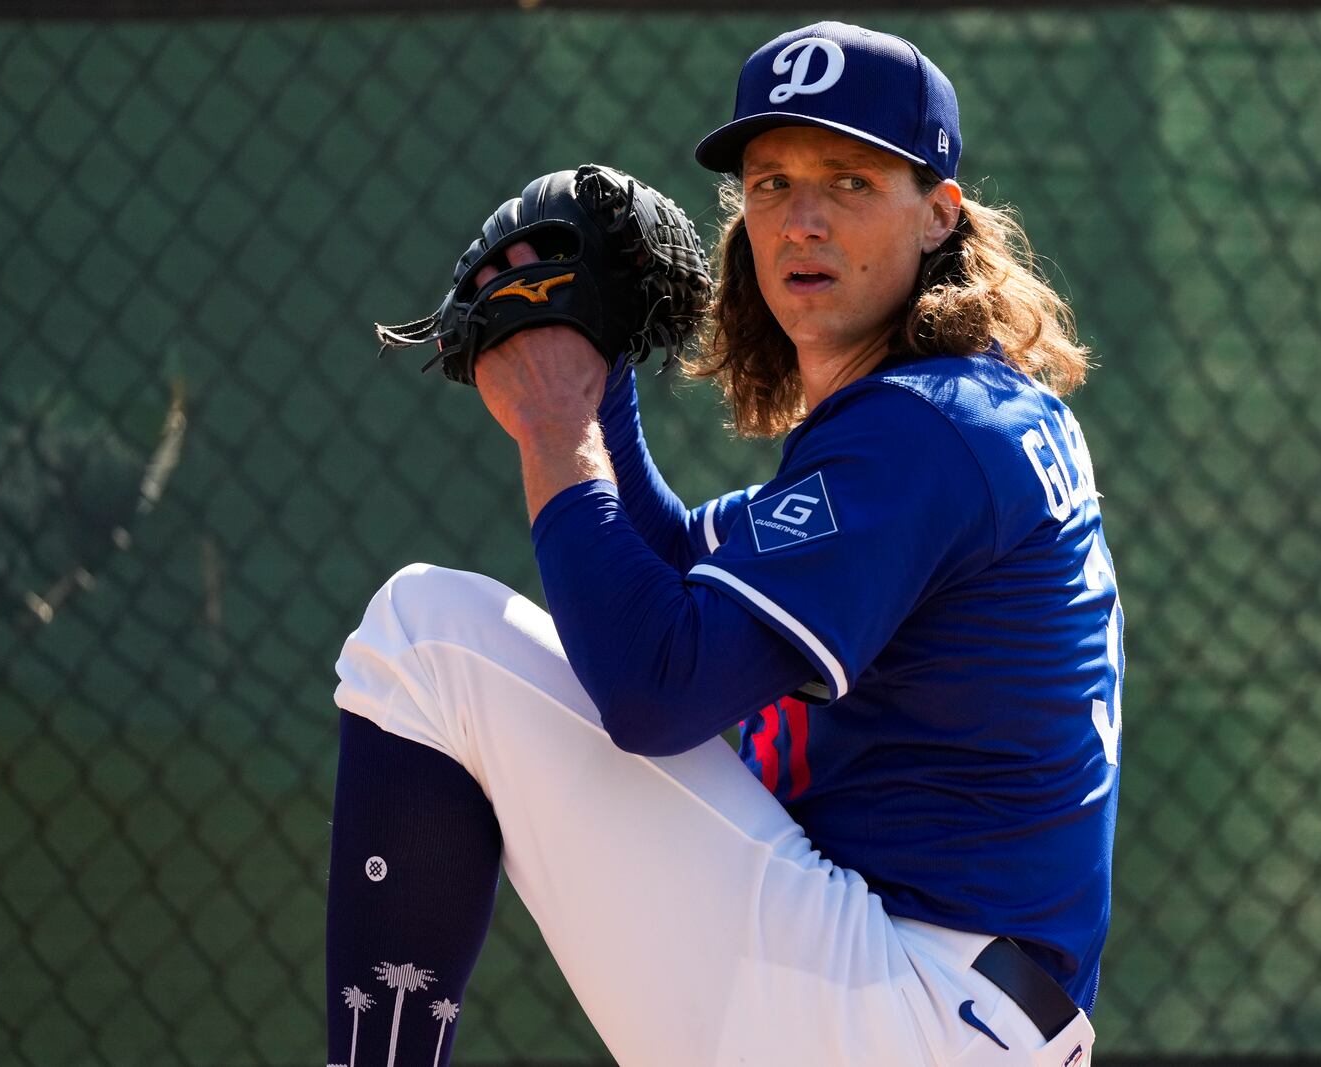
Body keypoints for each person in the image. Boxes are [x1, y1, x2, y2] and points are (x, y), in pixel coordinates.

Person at [324, 20, 1123, 1067]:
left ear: (938, 214)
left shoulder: (925, 432)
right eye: (771, 182)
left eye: (848, 181)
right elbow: (675, 574)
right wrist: (600, 376)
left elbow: (656, 690)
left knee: (425, 639)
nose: (801, 219)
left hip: (904, 1000)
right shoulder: (959, 407)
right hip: (941, 1007)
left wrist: (556, 427)